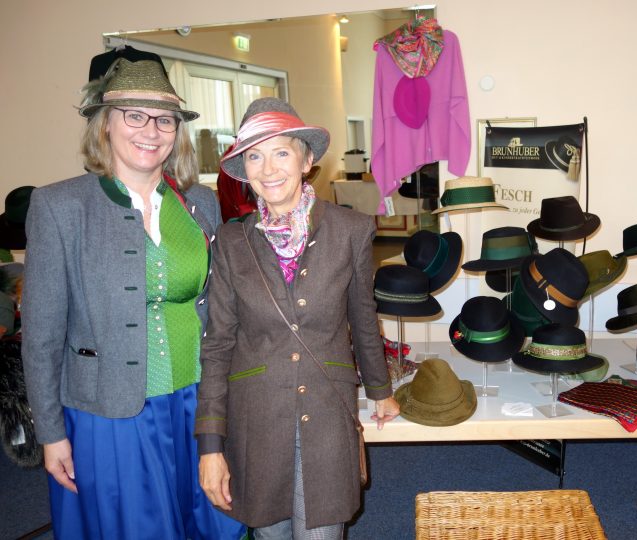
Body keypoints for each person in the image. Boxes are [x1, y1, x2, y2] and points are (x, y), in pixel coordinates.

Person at [22, 58, 246, 539]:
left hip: (198, 399)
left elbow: (220, 306)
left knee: (212, 518)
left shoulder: (201, 203)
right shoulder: (60, 206)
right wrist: (50, 433)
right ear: (105, 123)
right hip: (109, 413)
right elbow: (41, 336)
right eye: (135, 115)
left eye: (164, 119)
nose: (151, 130)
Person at [195, 97, 400, 539]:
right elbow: (217, 345)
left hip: (326, 409)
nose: (268, 169)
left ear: (306, 161)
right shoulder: (230, 242)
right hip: (256, 414)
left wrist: (380, 390)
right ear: (244, 170)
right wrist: (210, 444)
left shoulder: (351, 230)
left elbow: (363, 317)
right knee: (269, 532)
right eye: (255, 156)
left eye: (281, 153)